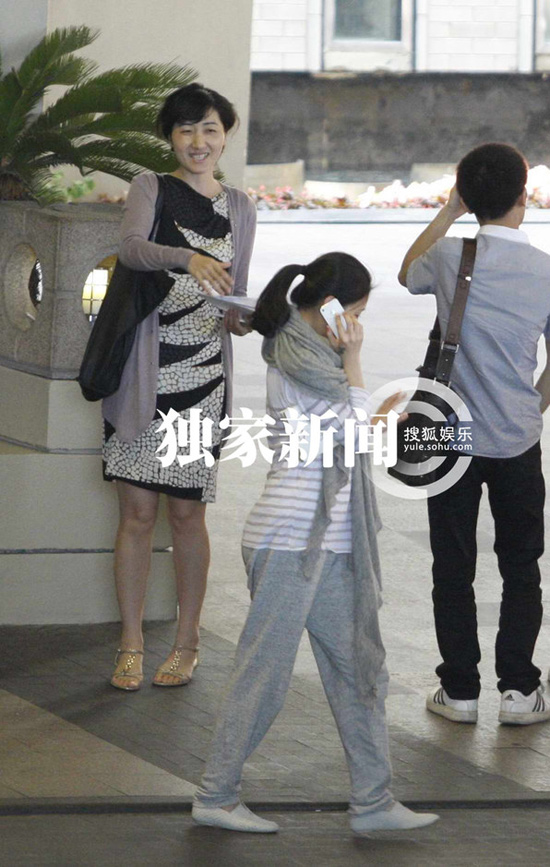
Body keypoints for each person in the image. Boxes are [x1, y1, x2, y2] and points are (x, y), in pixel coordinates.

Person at [191, 252, 439, 834]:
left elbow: (350, 431)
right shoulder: (297, 359)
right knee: (264, 674)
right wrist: (356, 365)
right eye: (355, 313)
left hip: (330, 541)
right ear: (329, 308)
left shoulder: (315, 360)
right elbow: (350, 432)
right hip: (291, 540)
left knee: (358, 669)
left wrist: (375, 411)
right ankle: (216, 796)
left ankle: (373, 801)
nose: (357, 325)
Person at [105, 83, 256, 690]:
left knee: (188, 514)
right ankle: (131, 643)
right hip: (142, 375)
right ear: (170, 136)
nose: (199, 141)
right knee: (137, 514)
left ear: (226, 135)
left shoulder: (240, 206)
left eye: (210, 129)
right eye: (187, 129)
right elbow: (131, 250)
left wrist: (243, 316)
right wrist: (187, 258)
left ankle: (187, 641)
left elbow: (234, 294)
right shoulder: (151, 187)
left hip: (203, 380)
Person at [399, 142, 550, 725]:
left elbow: (406, 271)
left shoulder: (448, 256)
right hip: (517, 438)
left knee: (452, 565)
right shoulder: (544, 270)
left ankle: (459, 691)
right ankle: (519, 692)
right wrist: (529, 407)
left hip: (445, 434)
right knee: (521, 565)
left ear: (468, 194)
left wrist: (449, 211)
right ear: (523, 196)